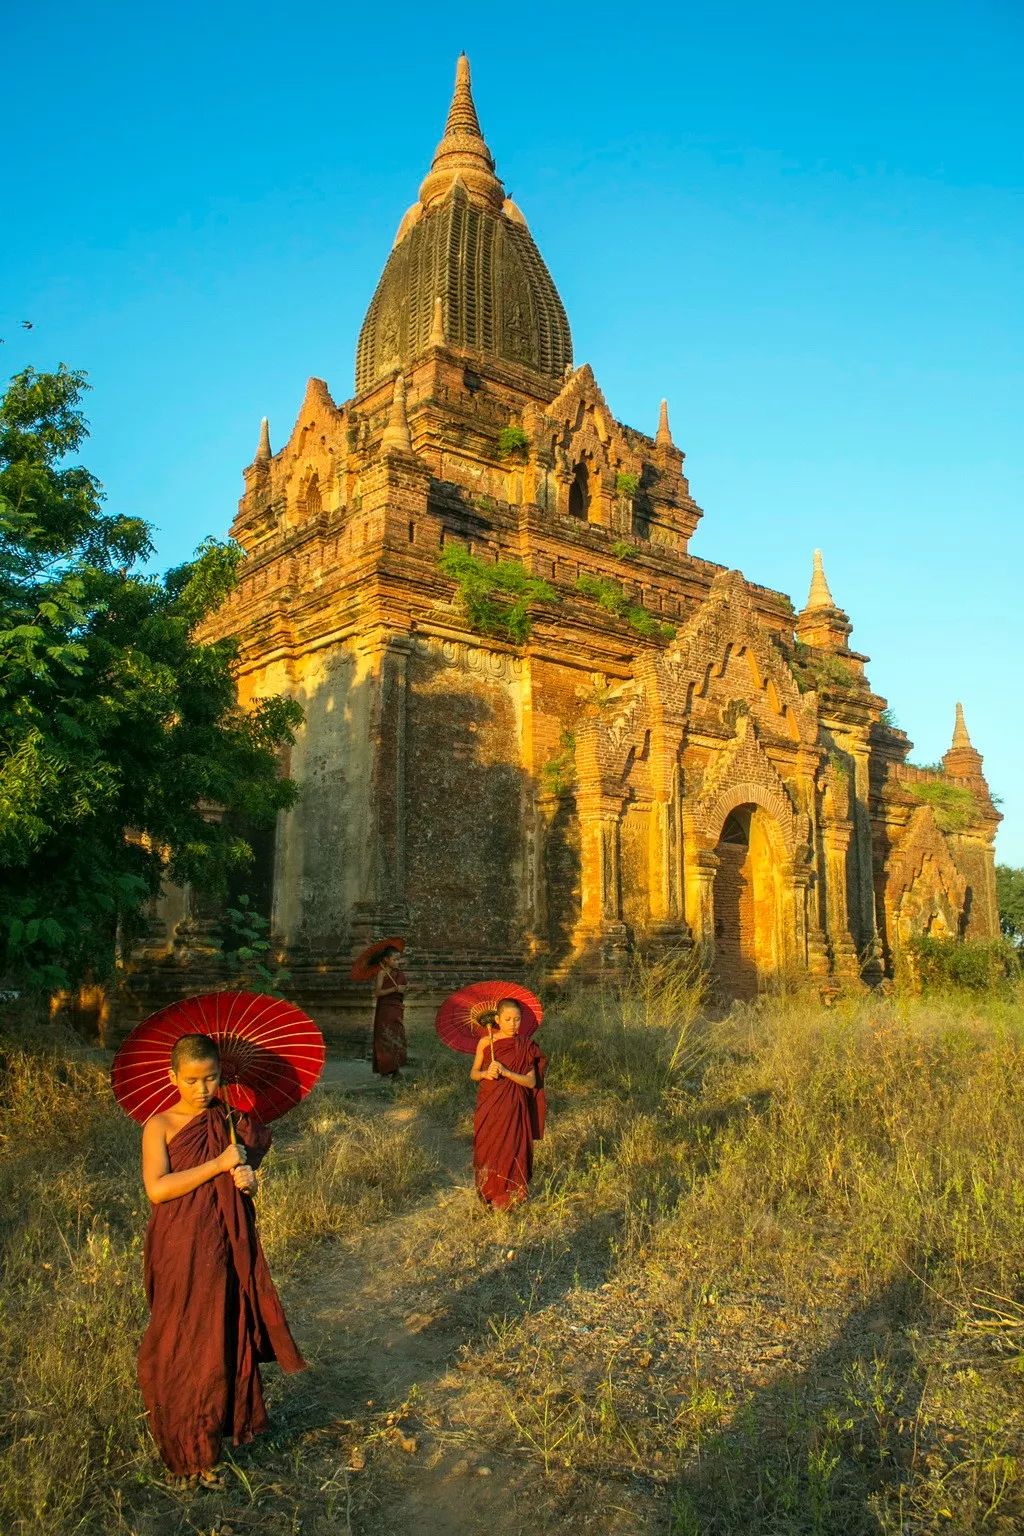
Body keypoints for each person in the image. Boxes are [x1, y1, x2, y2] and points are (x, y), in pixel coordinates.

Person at [137, 1033, 306, 1485]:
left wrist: (246, 1179)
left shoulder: (230, 1121)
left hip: (224, 1243)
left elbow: (241, 1179)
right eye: (191, 1080)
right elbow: (158, 1188)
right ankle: (182, 1444)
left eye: (210, 1078)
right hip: (179, 1245)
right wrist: (216, 1165)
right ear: (173, 1077)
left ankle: (207, 1445)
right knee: (180, 1337)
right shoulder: (161, 1125)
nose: (201, 1089)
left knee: (218, 1335)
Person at [469, 999, 547, 1209]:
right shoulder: (486, 1043)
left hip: (514, 1107)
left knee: (513, 1149)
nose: (513, 1024)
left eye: (517, 1019)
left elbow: (530, 1081)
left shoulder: (525, 1046)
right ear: (497, 1019)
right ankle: (489, 1193)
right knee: (488, 1147)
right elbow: (474, 1073)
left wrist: (506, 1072)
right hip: (490, 1105)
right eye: (508, 1019)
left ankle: (509, 1198)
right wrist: (487, 1072)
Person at [371, 946, 409, 1076]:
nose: (397, 962)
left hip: (397, 1008)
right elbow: (377, 992)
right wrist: (394, 989)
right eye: (394, 959)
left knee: (398, 1036)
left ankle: (396, 1067)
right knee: (385, 1037)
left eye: (398, 960)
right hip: (385, 1010)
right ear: (386, 959)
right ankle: (386, 1069)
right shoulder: (382, 973)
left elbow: (404, 991)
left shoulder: (399, 974)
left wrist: (402, 993)